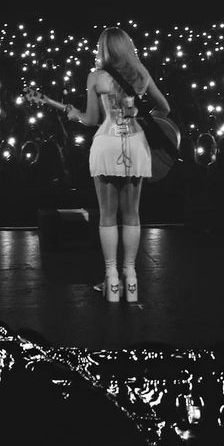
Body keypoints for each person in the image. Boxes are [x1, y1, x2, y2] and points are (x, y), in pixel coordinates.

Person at [64, 27, 170, 303]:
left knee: (107, 214)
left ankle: (111, 280)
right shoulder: (141, 74)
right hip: (135, 141)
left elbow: (90, 119)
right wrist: (144, 120)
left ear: (104, 49)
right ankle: (131, 277)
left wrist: (73, 114)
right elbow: (164, 108)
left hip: (107, 143)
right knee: (132, 213)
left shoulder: (96, 77)